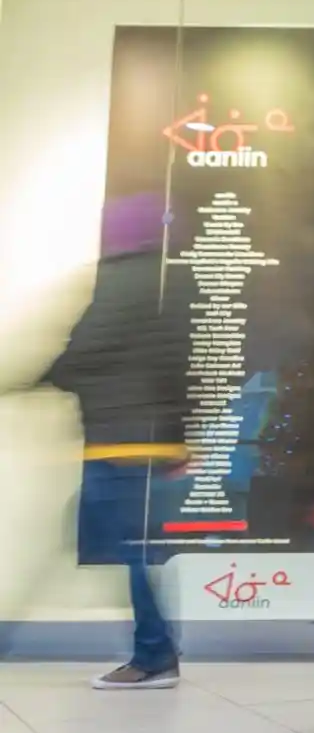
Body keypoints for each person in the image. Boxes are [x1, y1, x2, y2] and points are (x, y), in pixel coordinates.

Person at [41, 194, 192, 689]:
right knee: (131, 547)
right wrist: (177, 439)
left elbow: (85, 351)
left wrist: (46, 376)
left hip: (117, 440)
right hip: (148, 440)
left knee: (124, 548)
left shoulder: (120, 281)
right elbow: (179, 366)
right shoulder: (167, 283)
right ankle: (158, 649)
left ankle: (154, 656)